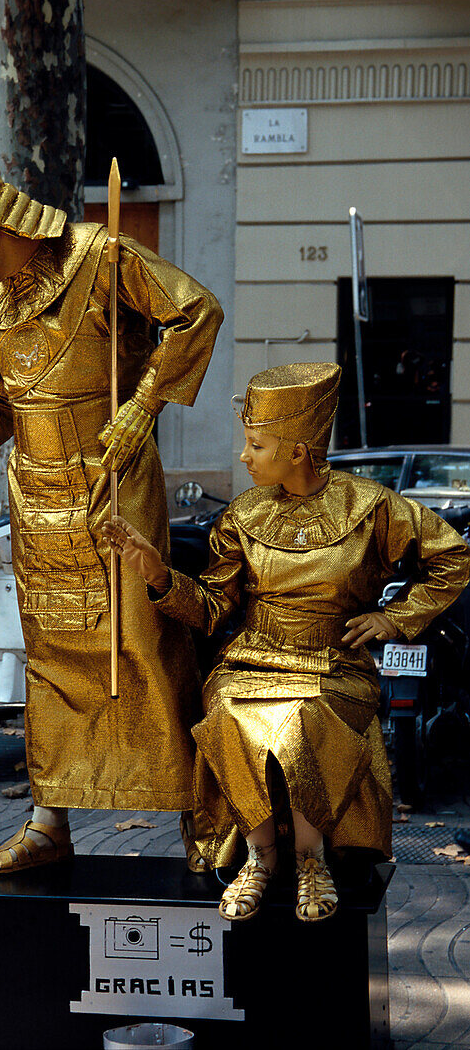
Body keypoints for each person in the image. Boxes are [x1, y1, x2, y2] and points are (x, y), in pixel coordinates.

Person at [0, 160, 224, 874]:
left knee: (142, 641)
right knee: (51, 656)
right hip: (34, 495)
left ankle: (202, 813)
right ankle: (49, 819)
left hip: (110, 479)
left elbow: (195, 311)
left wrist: (141, 407)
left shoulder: (100, 257)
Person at [104, 362, 470, 923]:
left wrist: (397, 618)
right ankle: (260, 856)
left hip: (335, 664)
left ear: (298, 451)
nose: (245, 457)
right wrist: (158, 576)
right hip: (253, 657)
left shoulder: (373, 507)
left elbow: (453, 558)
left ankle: (311, 859)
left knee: (304, 717)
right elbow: (211, 609)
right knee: (226, 709)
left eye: (256, 445)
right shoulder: (243, 515)